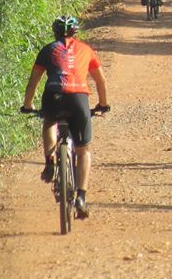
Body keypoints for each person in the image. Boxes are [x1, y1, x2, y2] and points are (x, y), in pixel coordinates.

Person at [20, 16, 110, 219]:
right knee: (83, 150)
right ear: (75, 33)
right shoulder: (86, 50)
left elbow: (33, 83)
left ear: (55, 32)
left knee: (50, 121)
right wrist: (103, 105)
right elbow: (100, 81)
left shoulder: (47, 50)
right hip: (79, 98)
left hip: (53, 94)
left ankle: (50, 161)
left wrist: (28, 106)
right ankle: (81, 197)